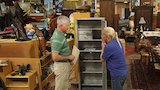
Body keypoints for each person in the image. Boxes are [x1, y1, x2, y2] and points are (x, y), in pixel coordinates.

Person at [51, 15, 75, 90]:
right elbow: (54, 57)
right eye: (67, 25)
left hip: (64, 66)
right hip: (61, 67)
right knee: (60, 87)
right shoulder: (57, 37)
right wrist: (68, 57)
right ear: (61, 25)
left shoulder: (61, 35)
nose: (68, 27)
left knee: (65, 87)